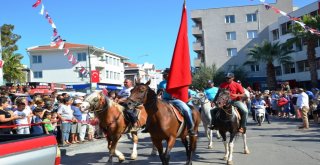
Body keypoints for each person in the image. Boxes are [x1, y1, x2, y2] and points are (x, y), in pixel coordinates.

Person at [156, 68, 195, 136]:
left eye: (165, 74)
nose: (164, 76)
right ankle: (149, 126)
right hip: (165, 100)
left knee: (187, 109)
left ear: (169, 74)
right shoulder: (161, 83)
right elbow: (158, 92)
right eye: (164, 75)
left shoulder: (176, 81)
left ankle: (190, 128)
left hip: (176, 100)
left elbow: (181, 90)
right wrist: (159, 92)